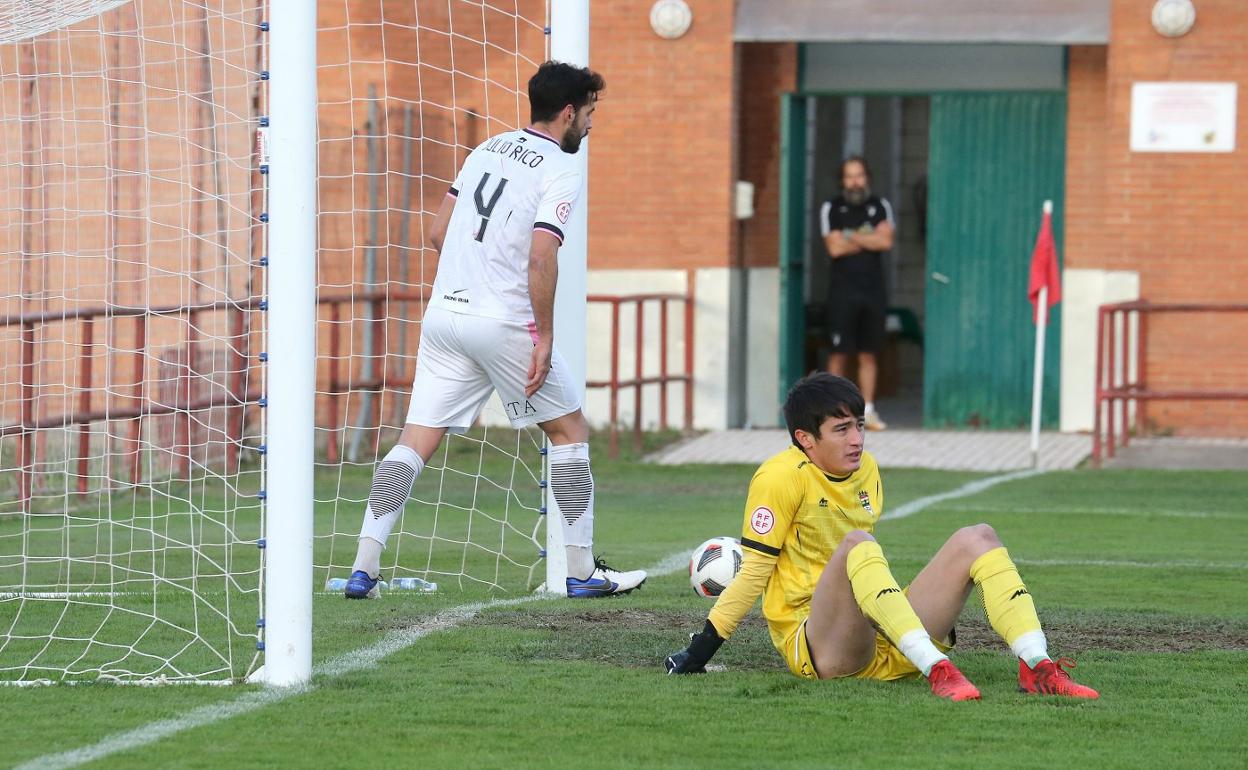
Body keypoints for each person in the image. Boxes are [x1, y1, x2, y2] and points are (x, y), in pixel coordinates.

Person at [344, 61, 646, 600]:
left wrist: (473, 277)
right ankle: (581, 572)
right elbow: (541, 256)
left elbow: (438, 231)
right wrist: (545, 337)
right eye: (591, 114)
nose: (592, 126)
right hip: (503, 321)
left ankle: (363, 567)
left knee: (415, 440)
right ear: (570, 112)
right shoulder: (560, 168)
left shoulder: (485, 149)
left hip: (444, 318)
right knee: (569, 432)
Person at [664, 373, 1098, 701]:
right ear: (805, 439)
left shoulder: (865, 470)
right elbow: (755, 571)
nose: (856, 440)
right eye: (841, 430)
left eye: (859, 425)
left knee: (978, 537)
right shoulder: (778, 478)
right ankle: (938, 668)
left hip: (878, 633)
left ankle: (1038, 666)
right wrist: (701, 651)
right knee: (858, 543)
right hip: (821, 646)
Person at [820, 156, 894, 431]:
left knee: (868, 354)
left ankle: (868, 411)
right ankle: (830, 411)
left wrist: (850, 236)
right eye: (849, 176)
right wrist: (868, 238)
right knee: (839, 353)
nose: (855, 181)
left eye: (859, 175)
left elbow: (886, 241)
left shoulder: (880, 205)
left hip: (873, 291)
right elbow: (834, 248)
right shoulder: (832, 207)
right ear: (842, 181)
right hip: (842, 291)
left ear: (867, 178)